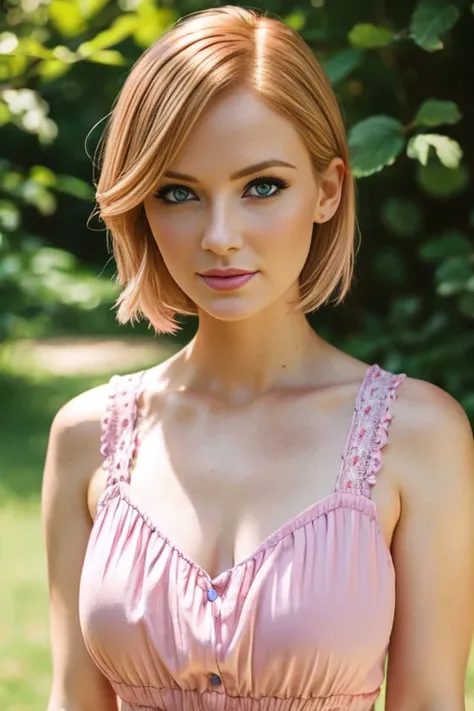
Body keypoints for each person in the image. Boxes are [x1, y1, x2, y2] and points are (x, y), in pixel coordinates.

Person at [42, 6, 474, 711]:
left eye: (262, 187)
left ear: (328, 189)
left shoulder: (417, 436)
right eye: (177, 192)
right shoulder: (87, 438)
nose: (219, 236)